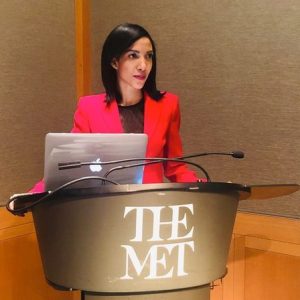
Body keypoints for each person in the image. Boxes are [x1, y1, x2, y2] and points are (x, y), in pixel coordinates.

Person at [30, 23, 202, 193]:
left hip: (149, 207)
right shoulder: (89, 109)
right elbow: (71, 166)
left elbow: (176, 168)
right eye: (133, 56)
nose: (143, 65)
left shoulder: (167, 105)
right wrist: (32, 195)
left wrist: (204, 187)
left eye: (148, 56)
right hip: (105, 207)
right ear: (114, 62)